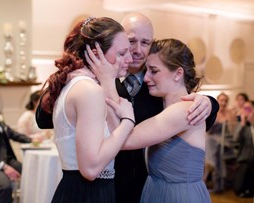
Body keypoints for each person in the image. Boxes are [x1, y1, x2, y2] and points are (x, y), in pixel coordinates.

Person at [36, 13, 219, 203]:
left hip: (144, 188)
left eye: (145, 42)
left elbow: (195, 117)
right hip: (108, 187)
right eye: (131, 42)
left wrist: (209, 102)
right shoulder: (94, 84)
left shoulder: (159, 88)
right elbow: (44, 117)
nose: (137, 50)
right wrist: (69, 76)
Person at [41, 17, 135, 202]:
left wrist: (108, 82)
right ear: (96, 53)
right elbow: (90, 169)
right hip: (87, 193)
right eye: (122, 53)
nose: (130, 59)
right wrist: (128, 121)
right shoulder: (88, 90)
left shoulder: (79, 84)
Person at [106, 38, 212, 202]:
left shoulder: (184, 110)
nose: (146, 78)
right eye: (146, 70)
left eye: (154, 71)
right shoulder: (165, 108)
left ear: (178, 73)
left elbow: (124, 141)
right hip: (157, 191)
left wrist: (106, 78)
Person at [0, 90, 36, 203]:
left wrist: (32, 140)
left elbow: (13, 134)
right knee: (5, 186)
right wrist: (4, 167)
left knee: (31, 173)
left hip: (8, 159)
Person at [232, 100, 254, 198]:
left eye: (247, 109)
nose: (244, 111)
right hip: (244, 159)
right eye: (244, 108)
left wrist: (253, 123)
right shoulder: (244, 126)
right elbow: (235, 139)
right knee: (237, 190)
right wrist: (242, 123)